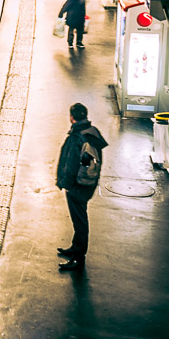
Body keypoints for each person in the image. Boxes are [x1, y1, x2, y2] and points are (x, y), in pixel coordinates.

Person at [55, 103, 108, 271]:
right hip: (87, 183)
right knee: (79, 219)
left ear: (72, 117)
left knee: (80, 222)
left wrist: (65, 184)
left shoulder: (77, 137)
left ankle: (78, 258)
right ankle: (75, 248)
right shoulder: (92, 133)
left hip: (77, 186)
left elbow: (71, 165)